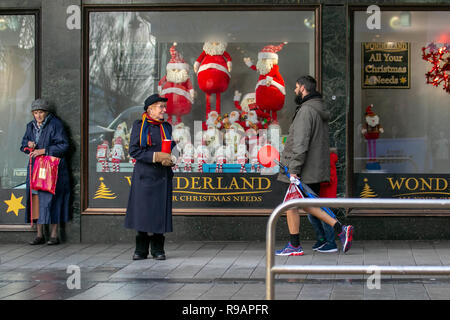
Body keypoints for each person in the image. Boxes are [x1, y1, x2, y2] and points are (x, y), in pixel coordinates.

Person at [275, 76, 354, 256]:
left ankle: (338, 229)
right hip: (313, 167)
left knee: (295, 204)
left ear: (303, 88)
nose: (294, 91)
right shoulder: (317, 108)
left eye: (296, 87)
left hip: (304, 168)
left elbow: (301, 143)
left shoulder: (306, 111)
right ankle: (300, 243)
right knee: (300, 204)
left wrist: (294, 170)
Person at [124, 94, 175, 261]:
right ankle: (141, 250)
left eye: (164, 107)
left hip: (162, 176)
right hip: (145, 175)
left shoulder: (166, 127)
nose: (164, 110)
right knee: (143, 213)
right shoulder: (139, 126)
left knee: (159, 213)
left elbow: (172, 148)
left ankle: (158, 249)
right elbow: (134, 150)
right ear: (150, 109)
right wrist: (156, 157)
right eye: (160, 106)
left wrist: (172, 158)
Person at [21, 99, 70, 245]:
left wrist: (44, 151)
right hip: (35, 168)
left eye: (41, 112)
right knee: (36, 199)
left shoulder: (56, 124)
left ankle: (54, 235)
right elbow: (23, 145)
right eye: (35, 113)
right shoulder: (30, 126)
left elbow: (64, 145)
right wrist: (28, 146)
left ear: (46, 113)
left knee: (52, 199)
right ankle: (39, 234)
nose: (38, 115)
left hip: (51, 168)